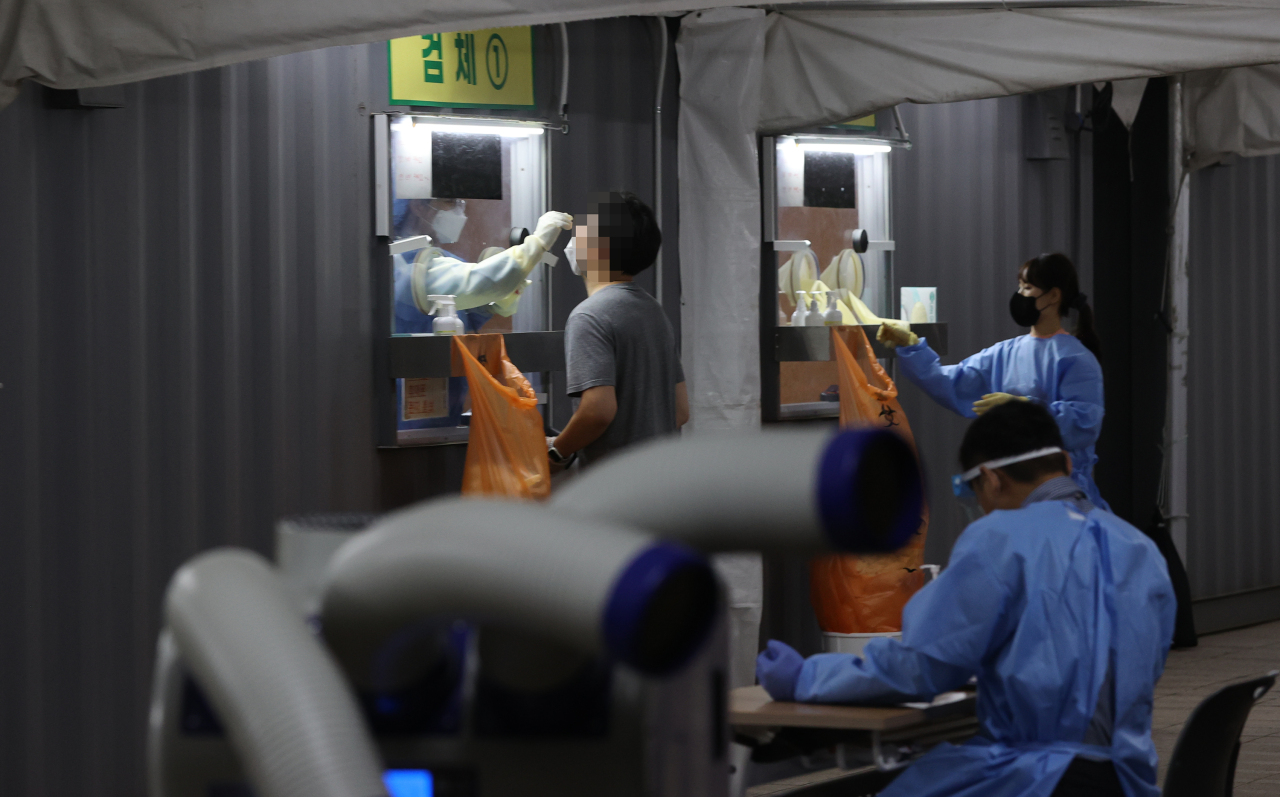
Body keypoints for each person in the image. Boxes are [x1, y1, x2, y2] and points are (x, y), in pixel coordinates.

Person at [756, 401, 1176, 797]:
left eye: (973, 491)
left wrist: (808, 677)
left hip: (1033, 779)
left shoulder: (1000, 537)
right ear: (1066, 464)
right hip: (1127, 778)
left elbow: (921, 668)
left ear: (991, 479)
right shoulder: (1141, 549)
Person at [878, 252, 1109, 511]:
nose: (1020, 294)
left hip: (1064, 500)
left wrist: (1024, 410)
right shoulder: (1004, 353)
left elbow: (1084, 422)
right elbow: (952, 383)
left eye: (1028, 287)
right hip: (1010, 493)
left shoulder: (1076, 358)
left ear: (1053, 296)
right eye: (1019, 286)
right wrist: (911, 346)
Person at [546, 191, 688, 470]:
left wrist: (557, 452)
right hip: (664, 481)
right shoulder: (654, 311)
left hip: (614, 487)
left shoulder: (589, 316)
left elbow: (598, 411)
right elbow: (680, 411)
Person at [392, 198, 572, 334]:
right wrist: (537, 243)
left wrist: (500, 298)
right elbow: (479, 283)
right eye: (449, 202)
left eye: (460, 203)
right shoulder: (405, 266)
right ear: (418, 206)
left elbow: (475, 306)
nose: (459, 212)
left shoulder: (442, 259)